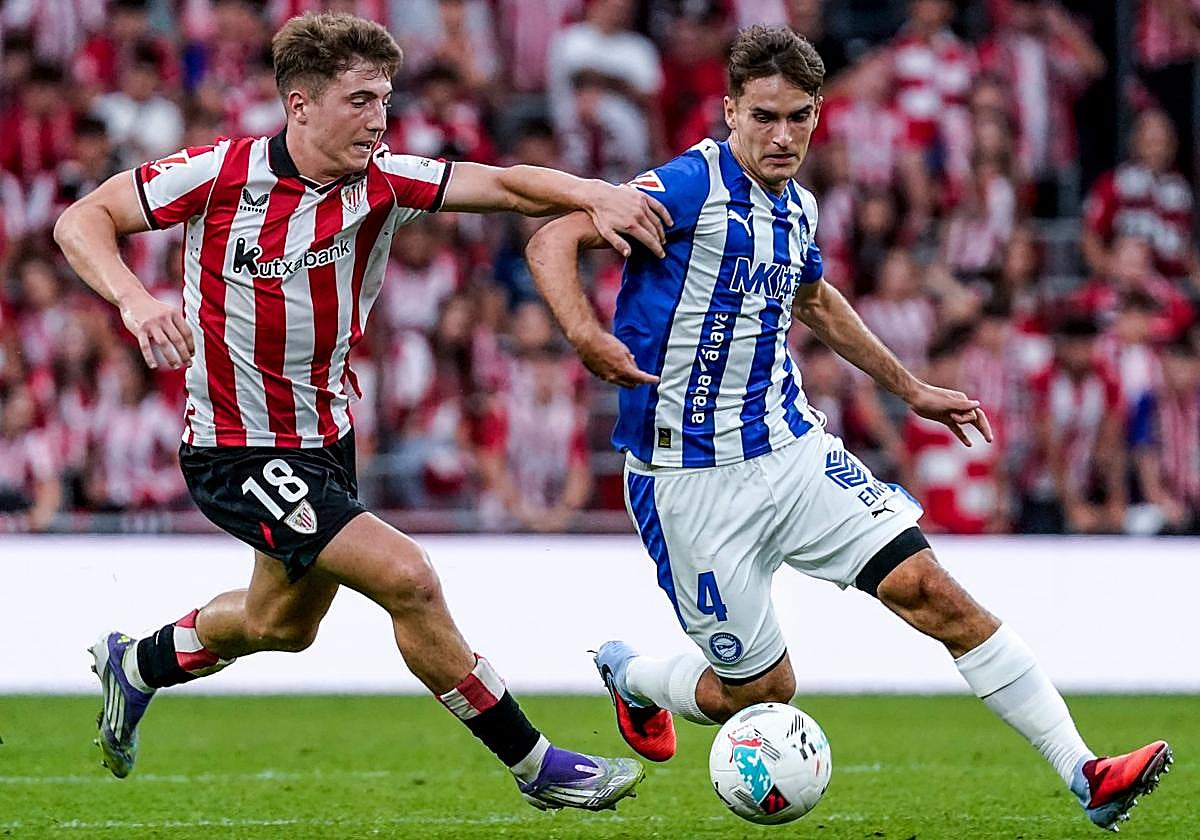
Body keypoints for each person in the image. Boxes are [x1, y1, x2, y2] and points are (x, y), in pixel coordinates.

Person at [525, 24, 1172, 832]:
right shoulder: (686, 187)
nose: (783, 135)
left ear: (819, 114)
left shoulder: (798, 205)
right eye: (764, 116)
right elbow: (554, 235)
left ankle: (1085, 773)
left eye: (799, 117)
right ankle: (637, 676)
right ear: (729, 110)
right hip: (689, 483)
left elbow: (814, 300)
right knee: (763, 693)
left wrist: (910, 388)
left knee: (934, 591)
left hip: (793, 452)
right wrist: (588, 336)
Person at [54, 11, 674, 813]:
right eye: (360, 100)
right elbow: (81, 220)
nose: (379, 118)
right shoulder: (217, 173)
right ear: (300, 104)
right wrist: (136, 300)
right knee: (407, 578)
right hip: (236, 449)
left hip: (325, 443)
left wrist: (594, 193)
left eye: (384, 98)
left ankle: (136, 663)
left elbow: (504, 183)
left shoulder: (381, 181)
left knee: (282, 626)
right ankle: (537, 765)